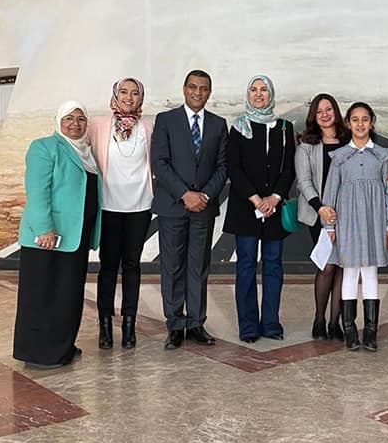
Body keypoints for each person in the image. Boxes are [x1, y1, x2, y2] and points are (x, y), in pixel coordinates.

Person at [13, 101, 102, 369]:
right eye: (68, 118)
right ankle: (38, 354)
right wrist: (44, 228)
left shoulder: (87, 153)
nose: (75, 124)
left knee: (67, 295)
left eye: (80, 118)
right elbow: (38, 190)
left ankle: (62, 348)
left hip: (75, 238)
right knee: (41, 295)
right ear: (59, 121)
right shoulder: (44, 147)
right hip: (48, 238)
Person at [150, 70, 228, 350]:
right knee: (172, 267)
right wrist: (185, 194)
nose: (198, 92)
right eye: (193, 87)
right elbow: (159, 163)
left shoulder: (218, 124)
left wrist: (204, 195)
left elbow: (223, 166)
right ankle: (175, 325)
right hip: (173, 206)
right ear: (184, 89)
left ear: (209, 92)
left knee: (198, 267)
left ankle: (196, 323)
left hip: (203, 208)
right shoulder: (166, 120)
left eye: (203, 88)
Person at [223, 75, 296, 343]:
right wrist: (256, 199)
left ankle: (271, 323)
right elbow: (234, 167)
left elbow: (289, 168)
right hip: (246, 208)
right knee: (245, 265)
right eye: (253, 89)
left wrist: (274, 198)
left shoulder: (285, 128)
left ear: (271, 94)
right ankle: (248, 326)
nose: (258, 94)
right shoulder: (239, 127)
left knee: (273, 265)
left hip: (274, 209)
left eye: (264, 90)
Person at [322, 102, 388, 352]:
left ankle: (371, 331)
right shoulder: (340, 157)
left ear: (372, 122)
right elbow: (330, 193)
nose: (360, 124)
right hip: (347, 222)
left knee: (370, 272)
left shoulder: (382, 155)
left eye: (365, 119)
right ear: (348, 123)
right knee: (350, 272)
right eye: (355, 119)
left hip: (374, 221)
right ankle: (349, 329)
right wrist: (329, 227)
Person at [88, 77, 153, 350]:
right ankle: (105, 325)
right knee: (108, 267)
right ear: (115, 96)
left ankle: (129, 325)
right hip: (109, 207)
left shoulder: (149, 127)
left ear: (141, 98)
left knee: (132, 266)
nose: (129, 97)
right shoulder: (98, 126)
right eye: (124, 92)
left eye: (135, 93)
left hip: (140, 206)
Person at [295, 94, 349, 340]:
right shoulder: (306, 145)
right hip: (319, 213)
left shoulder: (349, 141)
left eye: (329, 109)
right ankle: (319, 319)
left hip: (347, 213)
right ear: (313, 117)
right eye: (319, 111)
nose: (325, 114)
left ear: (335, 112)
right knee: (327, 265)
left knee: (341, 267)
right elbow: (304, 181)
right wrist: (320, 208)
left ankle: (335, 323)